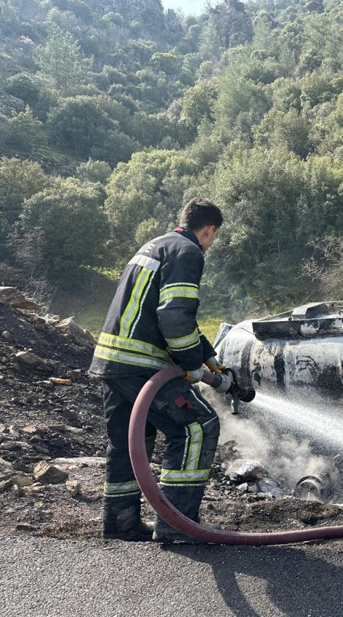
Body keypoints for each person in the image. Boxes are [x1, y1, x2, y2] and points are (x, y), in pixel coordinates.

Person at [90, 198, 232, 543]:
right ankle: (178, 526)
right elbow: (174, 315)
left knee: (129, 440)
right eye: (213, 238)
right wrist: (192, 366)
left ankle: (121, 523)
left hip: (115, 362)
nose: (210, 244)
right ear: (209, 229)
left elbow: (169, 314)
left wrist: (209, 358)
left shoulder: (155, 246)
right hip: (143, 364)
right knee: (198, 426)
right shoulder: (188, 252)